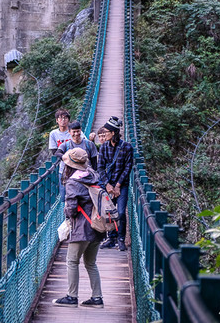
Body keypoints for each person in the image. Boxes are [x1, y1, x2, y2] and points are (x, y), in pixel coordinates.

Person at [52, 148, 105, 308]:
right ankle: (97, 298)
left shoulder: (73, 182)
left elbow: (71, 209)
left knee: (72, 261)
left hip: (82, 227)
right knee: (91, 263)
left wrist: (67, 211)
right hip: (97, 224)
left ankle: (71, 297)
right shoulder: (92, 174)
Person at [97, 116, 133, 252]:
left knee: (121, 212)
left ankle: (121, 239)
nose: (103, 134)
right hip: (107, 184)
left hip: (121, 185)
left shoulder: (127, 147)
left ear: (113, 133)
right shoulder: (103, 147)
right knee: (108, 213)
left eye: (106, 131)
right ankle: (111, 238)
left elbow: (127, 168)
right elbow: (100, 167)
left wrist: (117, 185)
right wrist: (107, 184)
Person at [54, 121, 98, 202]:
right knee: (66, 199)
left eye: (78, 131)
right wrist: (65, 157)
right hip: (68, 176)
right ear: (69, 132)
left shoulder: (89, 144)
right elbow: (57, 153)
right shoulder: (66, 145)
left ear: (81, 130)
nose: (76, 134)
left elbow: (94, 162)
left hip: (85, 176)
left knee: (85, 199)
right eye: (73, 132)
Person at [49, 110, 86, 202]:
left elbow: (84, 143)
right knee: (64, 196)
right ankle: (67, 215)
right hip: (64, 168)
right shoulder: (53, 134)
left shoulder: (74, 130)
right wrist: (68, 156)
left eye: (65, 118)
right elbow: (54, 151)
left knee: (78, 195)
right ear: (57, 120)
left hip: (78, 167)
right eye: (60, 118)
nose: (63, 120)